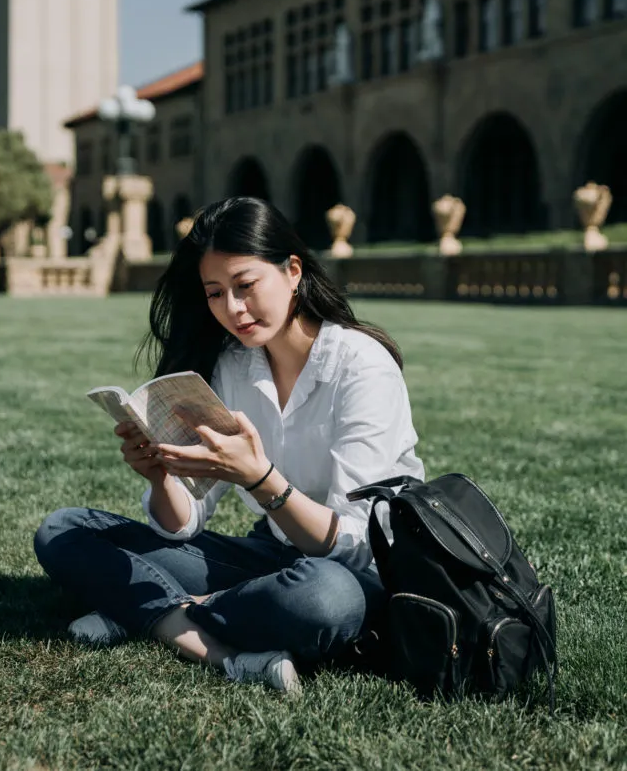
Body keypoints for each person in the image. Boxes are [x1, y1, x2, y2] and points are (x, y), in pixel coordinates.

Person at [34, 197, 424, 694]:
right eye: (215, 293)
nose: (233, 310)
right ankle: (217, 648)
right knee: (64, 530)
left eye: (245, 286)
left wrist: (261, 480)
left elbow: (354, 542)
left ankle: (148, 610)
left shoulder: (361, 366)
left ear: (293, 271)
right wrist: (160, 477)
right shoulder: (232, 366)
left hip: (356, 574)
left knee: (323, 601)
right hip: (269, 558)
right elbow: (185, 522)